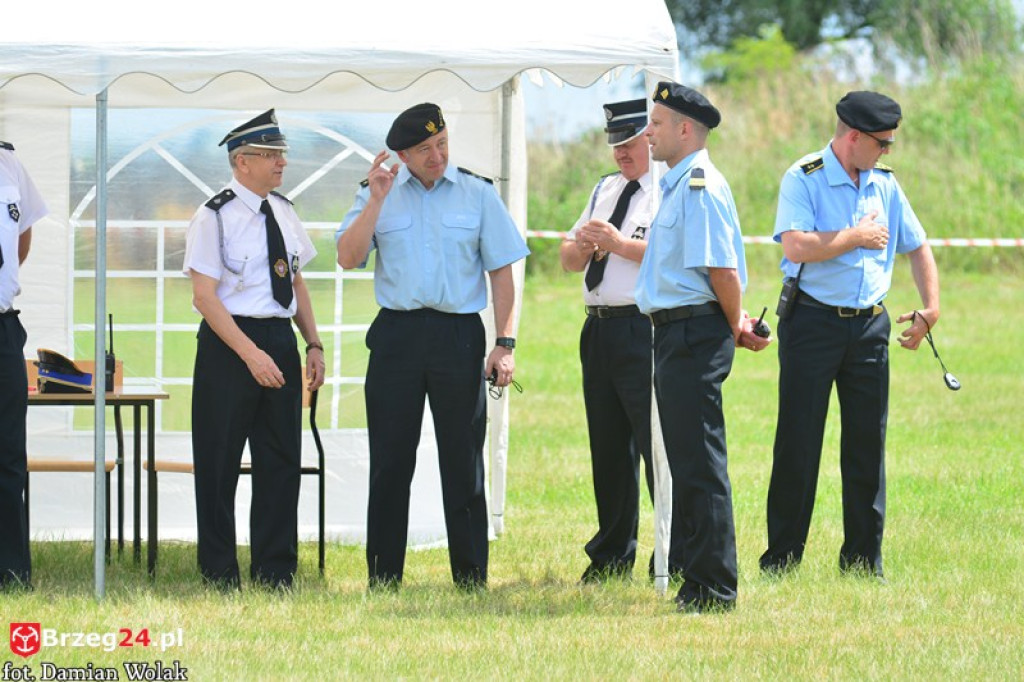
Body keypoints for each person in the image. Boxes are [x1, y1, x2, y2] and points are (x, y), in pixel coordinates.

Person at [336, 102, 529, 589]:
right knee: (390, 461)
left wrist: (504, 343)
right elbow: (347, 257)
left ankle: (471, 578)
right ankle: (383, 578)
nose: (437, 156)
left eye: (441, 144)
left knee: (463, 461)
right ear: (400, 155)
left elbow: (502, 271)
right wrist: (376, 200)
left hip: (458, 336)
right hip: (397, 336)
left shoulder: (477, 194)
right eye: (424, 150)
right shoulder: (377, 194)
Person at [760, 91, 940, 580]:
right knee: (798, 443)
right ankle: (782, 559)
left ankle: (863, 561)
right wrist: (856, 237)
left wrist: (931, 306)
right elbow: (796, 246)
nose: (887, 152)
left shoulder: (884, 184)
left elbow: (917, 245)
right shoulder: (804, 177)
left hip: (868, 327)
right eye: (882, 143)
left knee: (866, 446)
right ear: (853, 137)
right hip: (812, 323)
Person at [635, 81, 770, 613]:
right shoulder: (675, 185)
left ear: (686, 129)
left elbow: (721, 268)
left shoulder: (699, 185)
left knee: (699, 463)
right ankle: (698, 578)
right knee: (687, 460)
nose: (649, 132)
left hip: (692, 332)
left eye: (658, 123)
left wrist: (736, 322)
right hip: (675, 332)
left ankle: (715, 587)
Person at [183, 109, 325, 589]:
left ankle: (275, 572)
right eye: (271, 155)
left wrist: (313, 342)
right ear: (242, 161)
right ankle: (219, 573)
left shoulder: (283, 209)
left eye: (282, 154)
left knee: (281, 460)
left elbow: (296, 280)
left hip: (278, 338)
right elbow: (204, 297)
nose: (282, 163)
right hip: (230, 346)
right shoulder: (213, 216)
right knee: (219, 462)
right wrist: (250, 354)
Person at [560, 98, 684, 582]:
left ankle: (671, 552)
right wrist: (585, 245)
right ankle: (611, 554)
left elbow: (669, 255)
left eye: (630, 143)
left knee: (655, 445)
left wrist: (616, 244)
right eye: (615, 145)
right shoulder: (605, 189)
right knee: (608, 447)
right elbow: (569, 259)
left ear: (650, 140)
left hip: (642, 325)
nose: (621, 153)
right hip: (599, 327)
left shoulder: (666, 190)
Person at [0, 140, 47, 590]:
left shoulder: (9, 161)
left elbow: (24, 227)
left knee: (8, 453)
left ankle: (10, 572)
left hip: (2, 327)